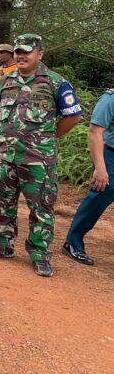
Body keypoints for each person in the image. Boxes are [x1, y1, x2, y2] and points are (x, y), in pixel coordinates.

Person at [0, 34, 82, 277]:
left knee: (42, 208)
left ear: (40, 54)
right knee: (2, 202)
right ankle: (2, 245)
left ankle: (39, 254)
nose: (21, 56)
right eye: (18, 52)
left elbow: (73, 116)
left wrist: (51, 138)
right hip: (7, 156)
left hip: (39, 160)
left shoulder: (55, 82)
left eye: (27, 51)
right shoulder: (5, 80)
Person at [63, 89, 114, 265]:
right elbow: (95, 132)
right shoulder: (110, 99)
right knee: (101, 193)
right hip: (110, 154)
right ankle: (73, 242)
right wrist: (100, 167)